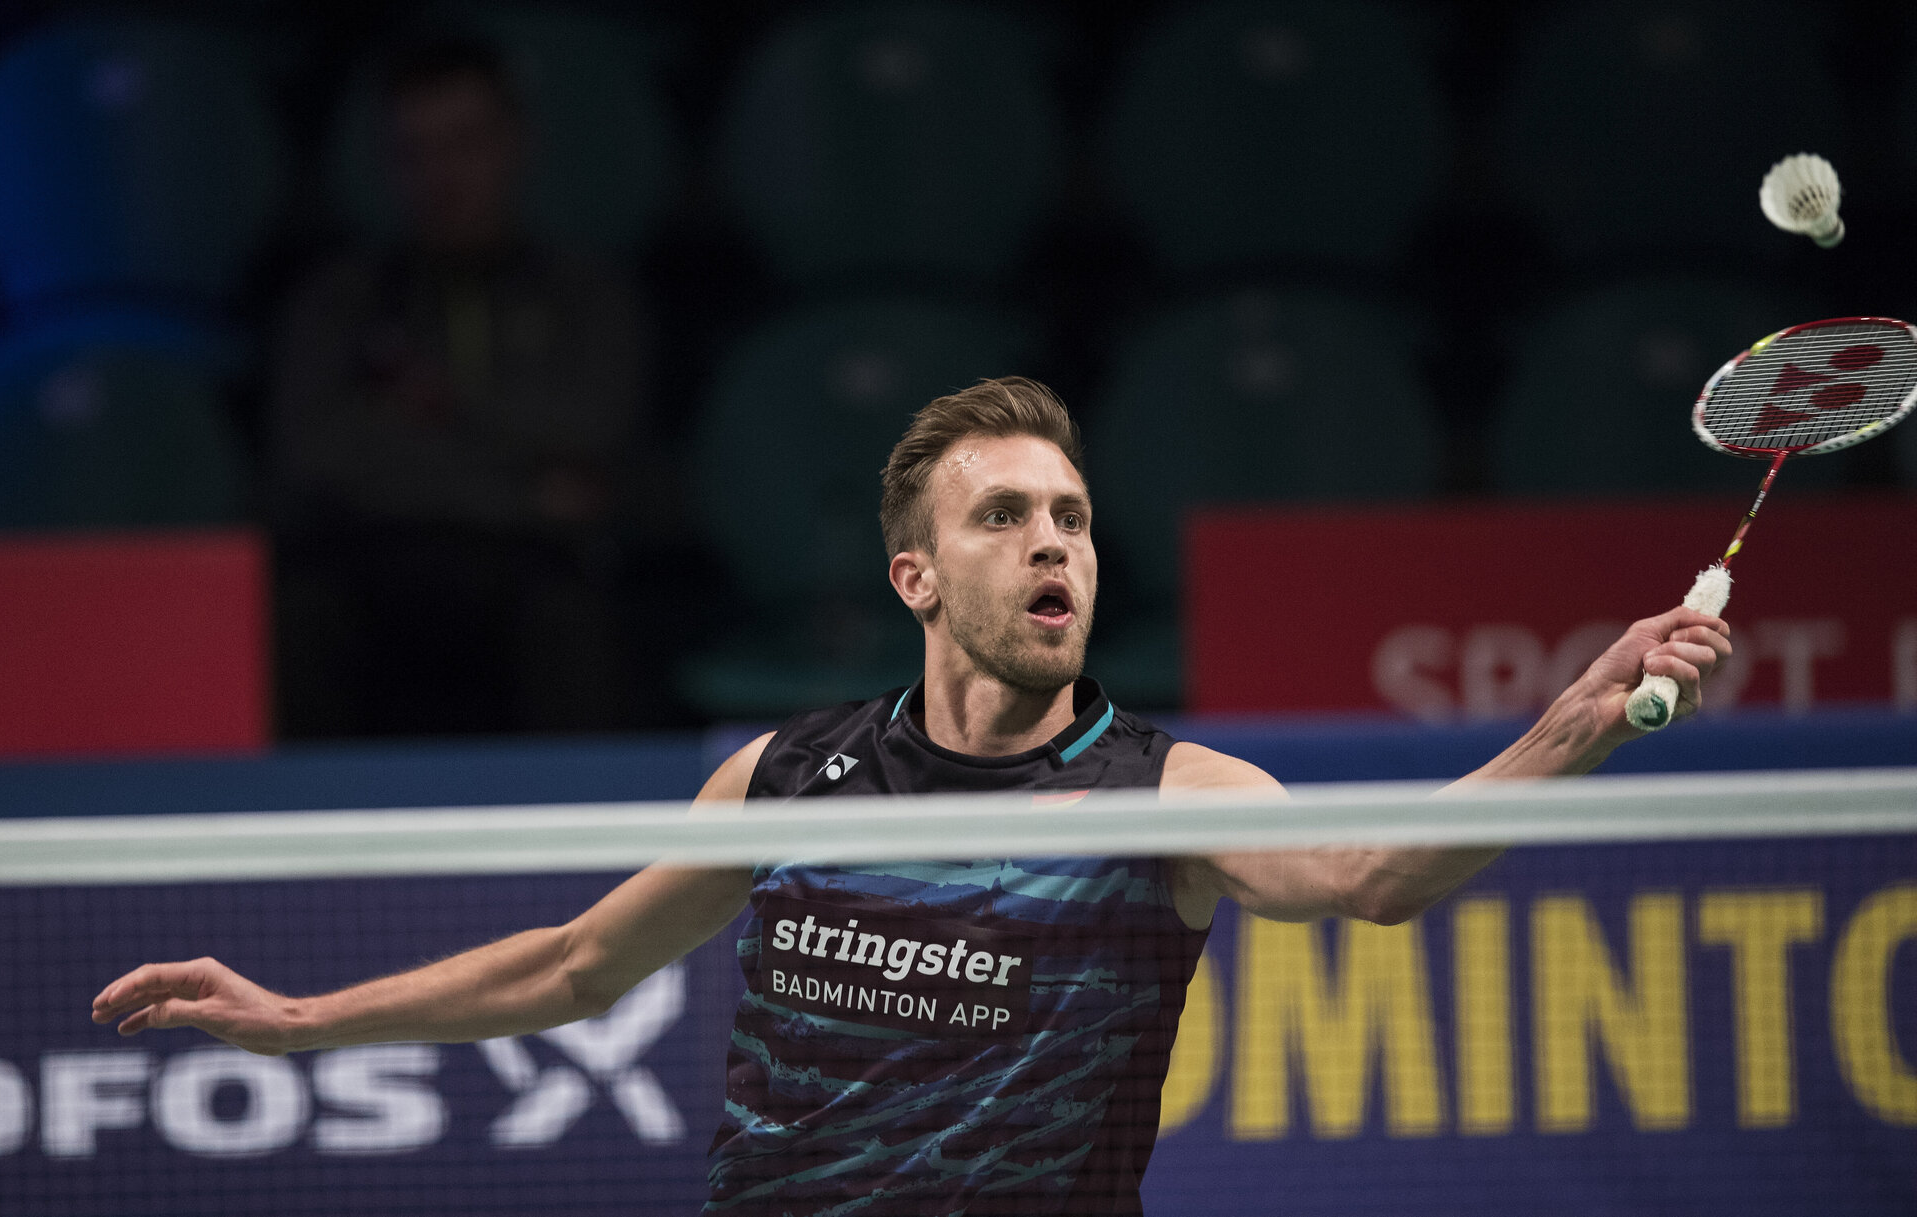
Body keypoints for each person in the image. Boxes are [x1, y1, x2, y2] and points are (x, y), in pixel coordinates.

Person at [93, 378, 1731, 1214]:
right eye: (1005, 516)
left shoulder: (1163, 790)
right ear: (917, 577)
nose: (1052, 544)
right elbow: (579, 964)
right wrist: (303, 1021)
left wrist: (1573, 724)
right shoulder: (789, 776)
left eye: (1071, 517)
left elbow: (1371, 876)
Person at [270, 35, 665, 735]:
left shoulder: (587, 295)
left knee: (577, 622)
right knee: (299, 617)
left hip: (528, 570)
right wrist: (525, 485)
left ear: (516, 144)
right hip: (373, 563)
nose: (442, 174)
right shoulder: (340, 301)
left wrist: (437, 407)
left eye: (465, 143)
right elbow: (313, 457)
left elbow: (596, 430)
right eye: (415, 151)